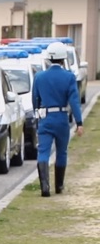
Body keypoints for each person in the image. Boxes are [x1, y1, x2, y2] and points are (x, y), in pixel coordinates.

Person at [31, 41, 84, 197]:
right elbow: (74, 101)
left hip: (45, 118)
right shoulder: (69, 77)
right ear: (63, 59)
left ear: (49, 58)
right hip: (61, 117)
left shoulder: (39, 77)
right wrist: (79, 122)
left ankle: (44, 187)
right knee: (62, 152)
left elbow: (35, 100)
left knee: (43, 151)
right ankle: (59, 185)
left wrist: (37, 115)